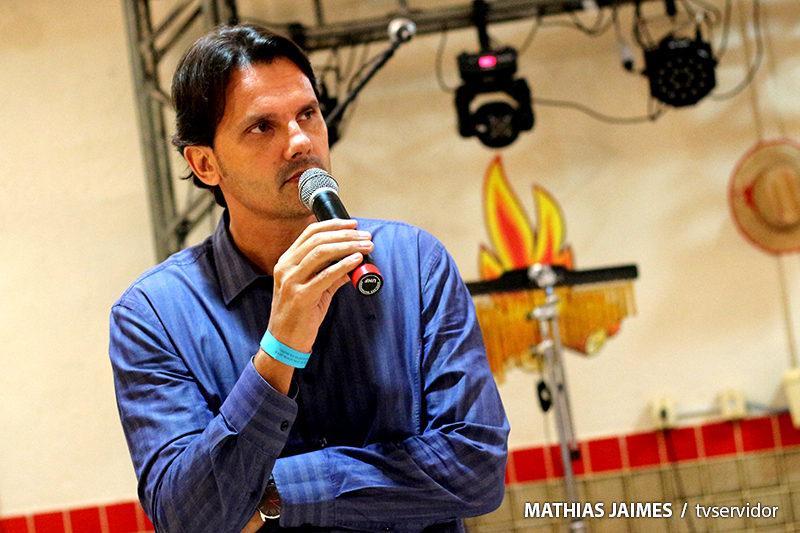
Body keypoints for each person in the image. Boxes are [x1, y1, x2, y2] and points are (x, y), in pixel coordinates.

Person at [109, 24, 509, 533]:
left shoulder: (414, 262)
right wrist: (278, 350)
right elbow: (188, 518)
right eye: (262, 127)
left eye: (308, 114)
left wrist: (274, 494)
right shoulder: (152, 316)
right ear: (205, 164)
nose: (300, 141)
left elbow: (477, 470)